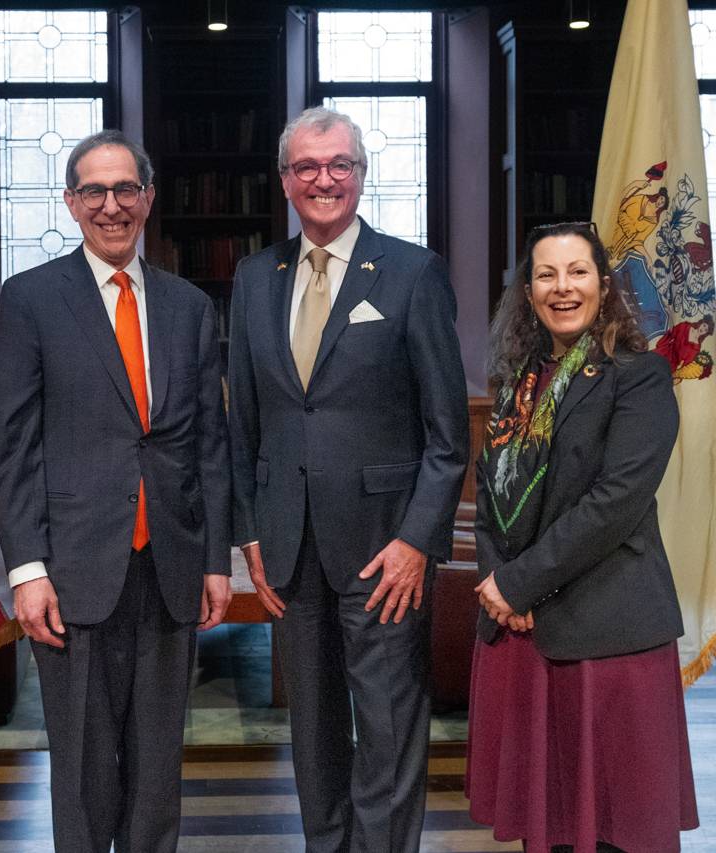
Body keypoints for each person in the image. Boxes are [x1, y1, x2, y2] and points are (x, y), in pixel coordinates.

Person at [227, 106, 469, 852]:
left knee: (390, 730)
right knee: (315, 733)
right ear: (285, 181)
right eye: (307, 166)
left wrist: (417, 541)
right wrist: (250, 533)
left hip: (383, 551)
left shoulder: (412, 272)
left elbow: (447, 435)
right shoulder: (253, 277)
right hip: (292, 548)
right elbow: (245, 424)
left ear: (362, 175)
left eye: (339, 164)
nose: (323, 178)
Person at [0, 129, 231, 853]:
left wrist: (216, 558)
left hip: (170, 566)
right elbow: (14, 446)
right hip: (72, 570)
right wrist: (27, 568)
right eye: (94, 190)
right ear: (70, 202)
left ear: (148, 199)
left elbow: (208, 443)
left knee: (159, 770)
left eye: (126, 189)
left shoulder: (189, 306)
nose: (112, 205)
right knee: (87, 771)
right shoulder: (31, 299)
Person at [466, 221, 699, 853]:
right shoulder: (519, 380)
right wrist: (497, 585)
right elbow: (490, 495)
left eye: (577, 272)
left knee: (619, 830)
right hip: (523, 629)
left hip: (608, 631)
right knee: (554, 827)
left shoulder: (640, 376)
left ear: (603, 284)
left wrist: (517, 583)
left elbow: (615, 503)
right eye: (546, 274)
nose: (562, 287)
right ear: (528, 291)